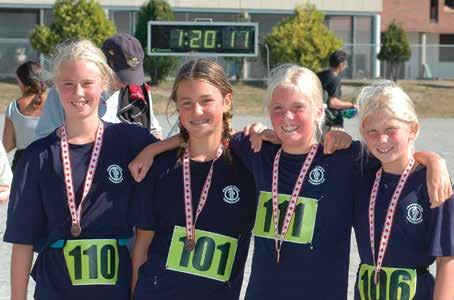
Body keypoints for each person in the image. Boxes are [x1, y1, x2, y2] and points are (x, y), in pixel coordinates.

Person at [129, 64, 451, 299]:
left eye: (298, 108)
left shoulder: (344, 158)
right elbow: (208, 134)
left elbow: (393, 156)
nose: (288, 118)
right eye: (278, 109)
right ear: (268, 111)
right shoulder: (256, 151)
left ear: (320, 111)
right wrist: (156, 148)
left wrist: (433, 160)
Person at [3, 39, 157, 300]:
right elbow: (23, 242)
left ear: (104, 84)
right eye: (68, 84)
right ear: (56, 88)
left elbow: (187, 145)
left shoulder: (131, 141)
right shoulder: (37, 157)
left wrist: (153, 150)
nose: (78, 93)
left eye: (87, 83)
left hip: (115, 291)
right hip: (56, 288)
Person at [130, 59, 257, 299]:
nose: (196, 111)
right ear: (177, 107)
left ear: (226, 101)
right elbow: (142, 247)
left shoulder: (248, 165)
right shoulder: (159, 168)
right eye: (186, 103)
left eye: (206, 100)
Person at [353, 80, 454, 299]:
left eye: (391, 129)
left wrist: (434, 160)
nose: (382, 139)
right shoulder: (362, 173)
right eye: (372, 131)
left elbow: (447, 259)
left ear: (413, 129)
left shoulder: (434, 184)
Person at [35, 33, 162, 140]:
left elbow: (155, 132)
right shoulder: (65, 93)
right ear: (103, 64)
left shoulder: (139, 92)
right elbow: (44, 137)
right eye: (121, 76)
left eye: (132, 76)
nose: (126, 83)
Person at [3, 61, 47, 169]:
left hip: (23, 164)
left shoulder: (13, 107)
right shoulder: (55, 103)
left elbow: (7, 146)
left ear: (23, 83)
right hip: (50, 161)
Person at [317, 50, 355, 131]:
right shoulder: (335, 79)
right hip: (331, 123)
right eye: (346, 64)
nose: (346, 66)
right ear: (341, 65)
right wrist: (352, 105)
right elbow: (333, 103)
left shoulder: (320, 75)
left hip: (318, 120)